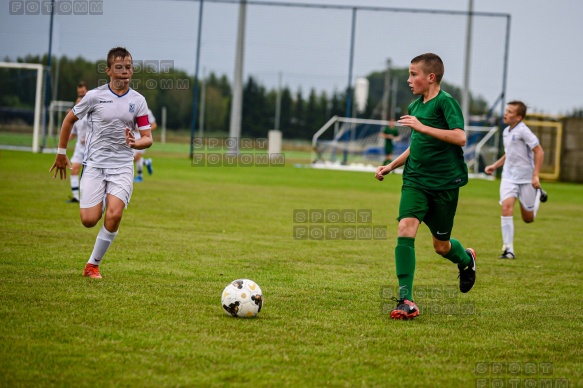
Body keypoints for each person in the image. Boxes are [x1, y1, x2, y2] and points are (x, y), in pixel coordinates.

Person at [375, 53, 476, 320]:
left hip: (443, 184)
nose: (409, 80)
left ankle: (466, 260)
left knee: (441, 246)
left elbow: (460, 137)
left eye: (413, 74)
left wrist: (423, 126)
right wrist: (391, 165)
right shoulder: (415, 106)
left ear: (430, 77)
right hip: (415, 180)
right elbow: (416, 145)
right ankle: (405, 299)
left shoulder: (446, 103)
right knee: (405, 227)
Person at [49, 47, 153, 279]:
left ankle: (92, 265)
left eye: (128, 67)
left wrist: (135, 144)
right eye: (119, 67)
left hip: (122, 167)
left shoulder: (138, 101)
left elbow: (147, 137)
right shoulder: (94, 96)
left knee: (114, 215)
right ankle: (104, 201)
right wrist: (60, 153)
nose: (124, 72)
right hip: (95, 165)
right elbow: (68, 120)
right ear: (108, 71)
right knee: (88, 220)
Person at [484, 101, 547, 259]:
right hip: (508, 177)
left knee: (528, 219)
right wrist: (495, 165)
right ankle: (508, 249)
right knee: (506, 208)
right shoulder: (506, 132)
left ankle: (537, 195)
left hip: (526, 179)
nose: (506, 113)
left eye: (510, 112)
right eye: (506, 110)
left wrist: (535, 176)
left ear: (519, 117)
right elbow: (509, 153)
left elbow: (539, 152)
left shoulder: (524, 131)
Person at [66, 82, 89, 203]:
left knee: (87, 175)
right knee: (74, 169)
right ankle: (76, 196)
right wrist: (65, 139)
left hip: (91, 149)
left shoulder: (91, 114)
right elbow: (74, 133)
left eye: (83, 93)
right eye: (79, 93)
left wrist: (89, 137)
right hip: (79, 148)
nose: (81, 95)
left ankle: (87, 197)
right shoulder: (76, 118)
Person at [133, 108, 157, 182]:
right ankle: (146, 162)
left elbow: (154, 125)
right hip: (133, 136)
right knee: (132, 158)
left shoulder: (148, 111)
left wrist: (145, 130)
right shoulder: (131, 108)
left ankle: (140, 176)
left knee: (137, 156)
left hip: (143, 137)